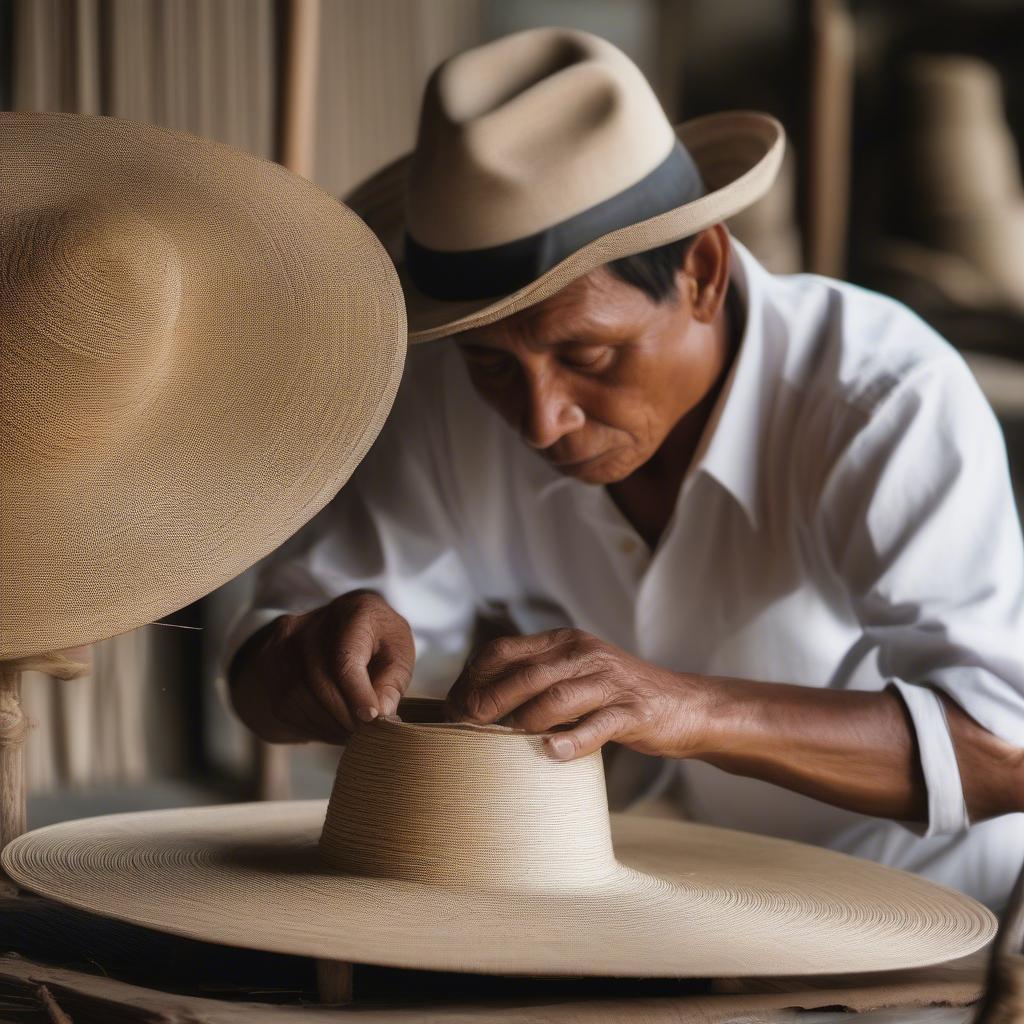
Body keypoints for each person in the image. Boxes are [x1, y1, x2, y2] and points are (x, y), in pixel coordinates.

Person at [222, 27, 1024, 910]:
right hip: (653, 899)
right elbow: (261, 674)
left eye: (592, 354)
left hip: (915, 924)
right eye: (494, 364)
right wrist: (306, 659)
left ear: (704, 273)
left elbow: (1002, 751)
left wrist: (686, 709)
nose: (539, 418)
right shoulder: (451, 390)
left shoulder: (883, 401)